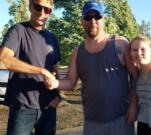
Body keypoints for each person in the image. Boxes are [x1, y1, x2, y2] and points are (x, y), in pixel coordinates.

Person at [44, 1, 138, 135]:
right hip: (92, 123)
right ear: (82, 21)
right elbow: (70, 81)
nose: (92, 21)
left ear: (103, 20)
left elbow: (135, 76)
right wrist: (55, 83)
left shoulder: (120, 43)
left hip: (121, 120)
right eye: (88, 17)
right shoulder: (77, 52)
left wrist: (134, 105)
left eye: (97, 17)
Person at [0, 0, 61, 135]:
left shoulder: (52, 38)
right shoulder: (18, 30)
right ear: (30, 7)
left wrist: (58, 96)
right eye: (38, 7)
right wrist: (41, 70)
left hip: (48, 106)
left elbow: (55, 68)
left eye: (47, 10)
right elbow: (5, 58)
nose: (42, 13)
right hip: (22, 108)